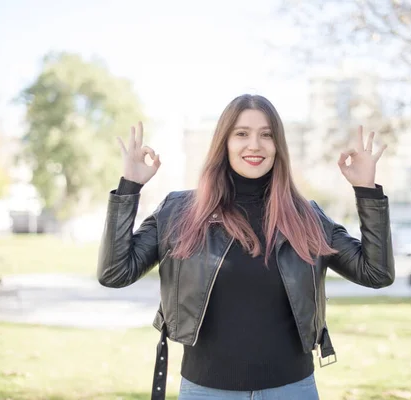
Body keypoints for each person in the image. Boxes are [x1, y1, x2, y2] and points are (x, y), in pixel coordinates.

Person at [97, 94, 395, 400]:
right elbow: (115, 273)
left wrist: (366, 192)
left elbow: (376, 273)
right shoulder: (178, 211)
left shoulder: (306, 216)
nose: (254, 145)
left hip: (293, 389)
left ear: (278, 146)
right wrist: (129, 188)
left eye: (266, 135)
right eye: (241, 134)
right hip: (206, 391)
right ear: (223, 143)